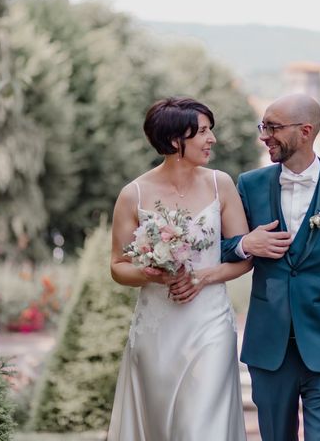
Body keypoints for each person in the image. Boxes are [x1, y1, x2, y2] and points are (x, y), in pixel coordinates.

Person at [221, 94, 320, 441]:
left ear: (305, 131)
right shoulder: (249, 184)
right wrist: (246, 244)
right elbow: (218, 248)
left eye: (273, 127)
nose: (264, 136)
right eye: (263, 126)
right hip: (269, 348)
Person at [107, 97, 251, 440]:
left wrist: (203, 277)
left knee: (203, 426)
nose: (211, 139)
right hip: (158, 328)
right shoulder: (134, 194)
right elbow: (117, 266)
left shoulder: (221, 184)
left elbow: (244, 255)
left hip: (210, 322)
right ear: (175, 141)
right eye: (202, 132)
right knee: (163, 427)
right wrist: (151, 272)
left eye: (210, 130)